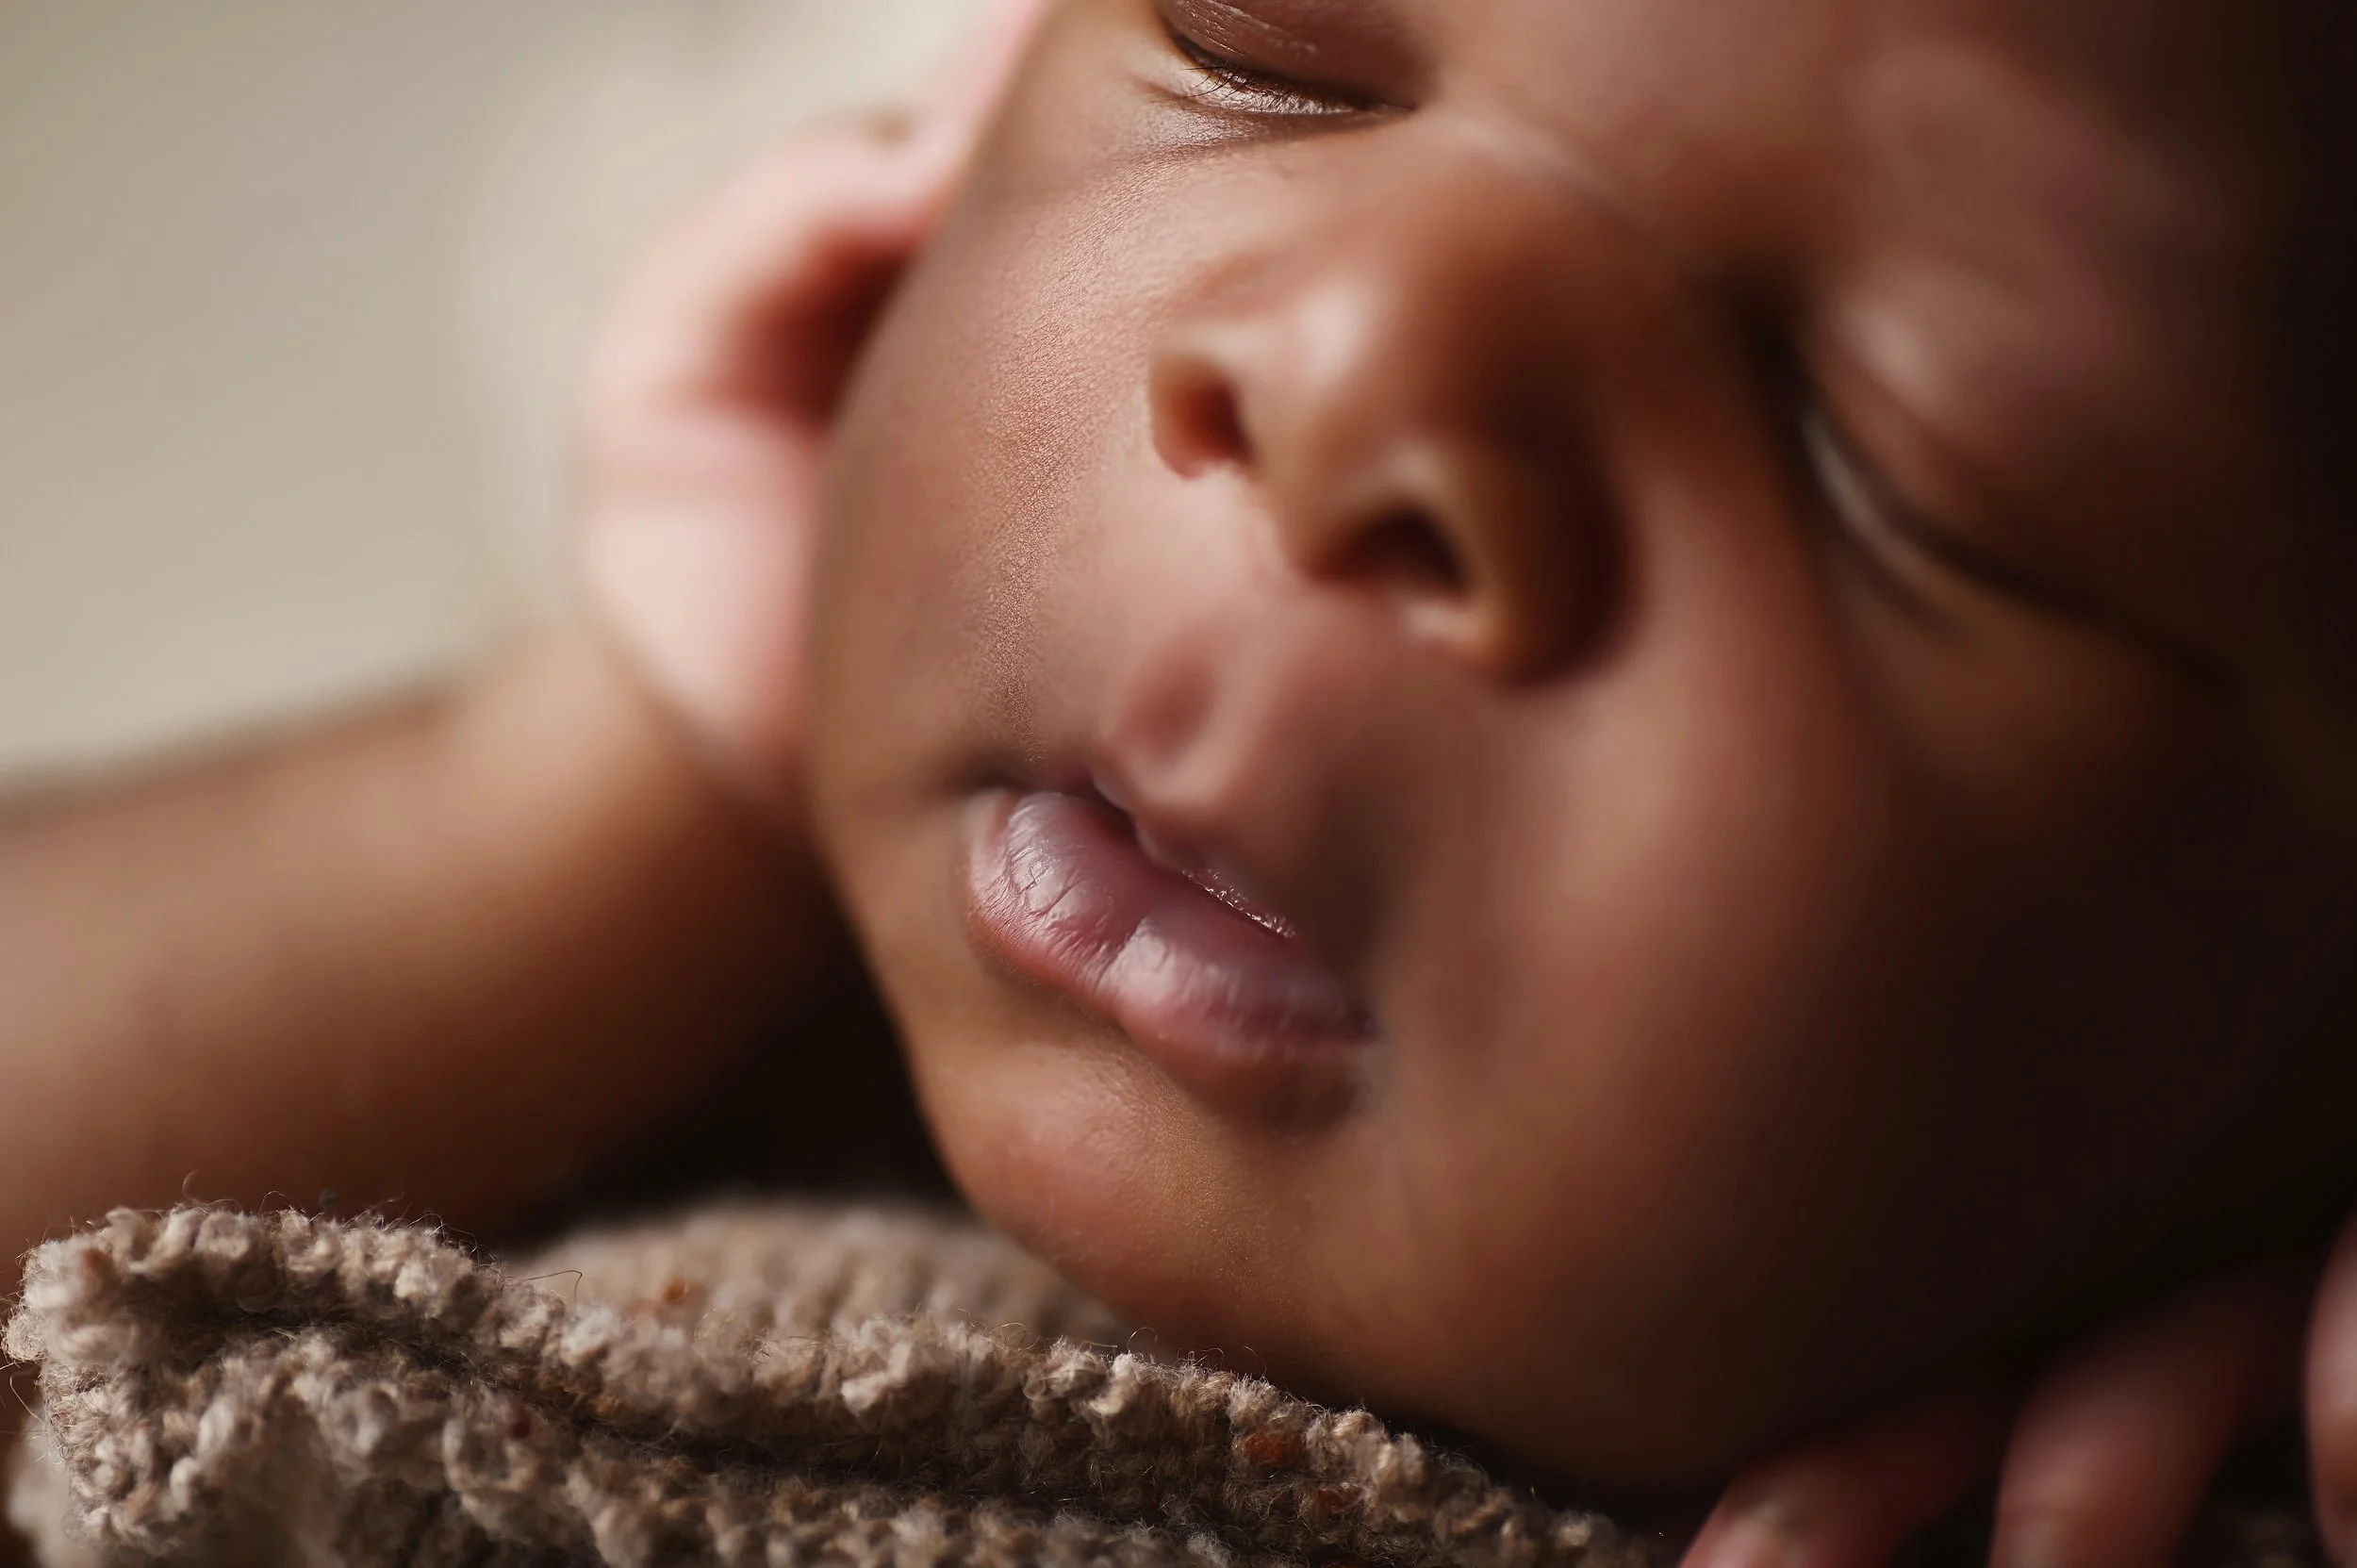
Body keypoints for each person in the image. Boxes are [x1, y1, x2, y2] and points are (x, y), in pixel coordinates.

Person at [2, 3, 2353, 1568]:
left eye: (1904, 461)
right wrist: (635, 771)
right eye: (1257, 49)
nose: (1334, 374)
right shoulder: (719, 996)